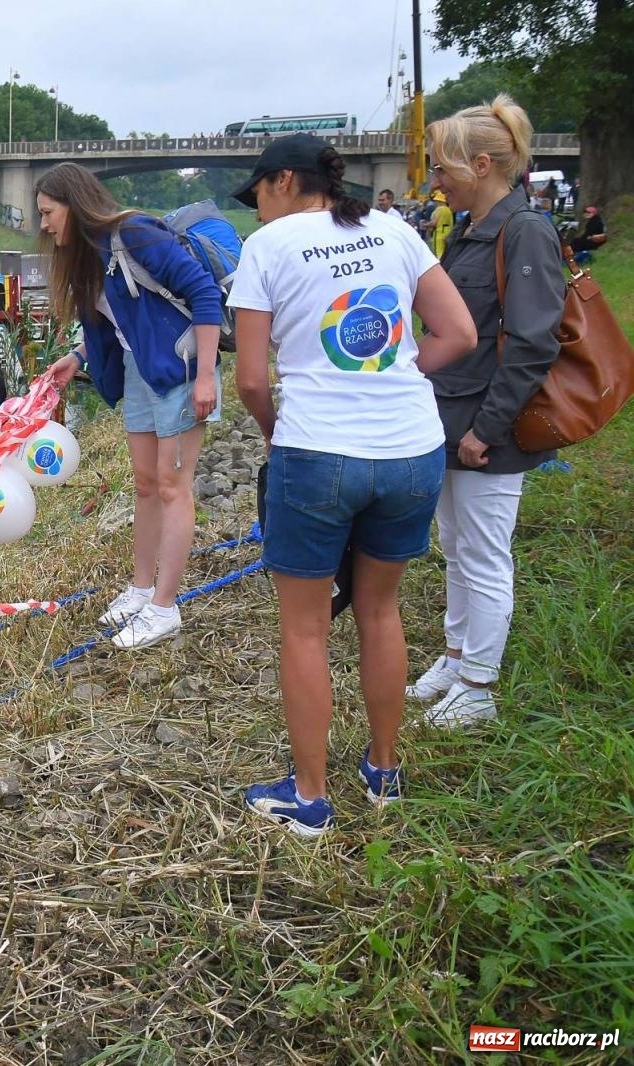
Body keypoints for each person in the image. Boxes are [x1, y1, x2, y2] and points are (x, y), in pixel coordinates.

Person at [226, 133, 478, 835]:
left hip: (319, 454)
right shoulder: (395, 230)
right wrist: (392, 378)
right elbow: (456, 333)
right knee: (380, 610)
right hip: (412, 448)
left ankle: (309, 799)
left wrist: (279, 427)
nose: (258, 214)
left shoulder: (266, 251)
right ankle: (383, 771)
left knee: (305, 629)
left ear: (283, 182)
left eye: (259, 198)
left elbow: (249, 379)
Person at [409, 95, 567, 728]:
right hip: (452, 417)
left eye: (443, 170)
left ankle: (479, 683)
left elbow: (532, 344)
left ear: (481, 164)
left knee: (484, 551)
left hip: (486, 427)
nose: (435, 182)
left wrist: (487, 429)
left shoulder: (525, 230)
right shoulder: (475, 231)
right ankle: (455, 655)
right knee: (455, 544)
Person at [39, 161, 224, 650]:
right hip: (140, 369)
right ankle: (142, 589)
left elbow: (204, 295)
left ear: (73, 205)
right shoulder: (87, 256)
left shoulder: (135, 234)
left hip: (181, 368)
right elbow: (123, 319)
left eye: (47, 212)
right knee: (145, 483)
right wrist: (78, 356)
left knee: (171, 485)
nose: (43, 224)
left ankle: (165, 607)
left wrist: (206, 375)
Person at [429, 191, 455, 257]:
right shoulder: (449, 210)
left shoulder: (439, 209)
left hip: (439, 233)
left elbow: (434, 223)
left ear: (439, 201)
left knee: (438, 253)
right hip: (447, 232)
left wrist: (425, 225)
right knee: (444, 252)